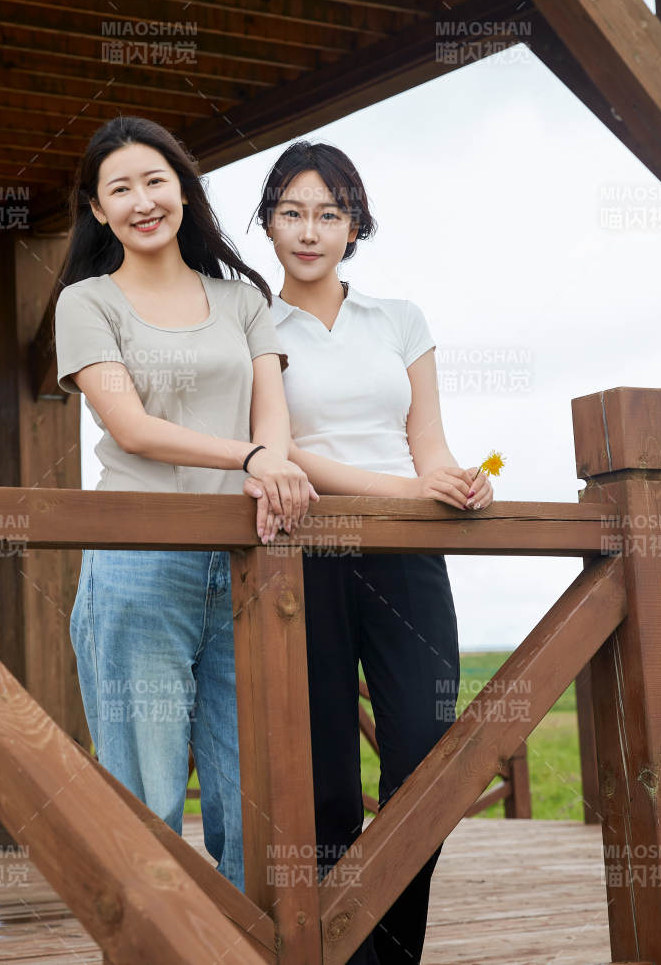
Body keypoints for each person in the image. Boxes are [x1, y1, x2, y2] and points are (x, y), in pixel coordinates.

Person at [244, 140, 492, 960]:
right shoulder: (254, 323)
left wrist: (457, 482)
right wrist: (406, 492)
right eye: (292, 212)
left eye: (329, 213)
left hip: (409, 558)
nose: (309, 230)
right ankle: (331, 951)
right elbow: (287, 452)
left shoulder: (400, 319)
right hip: (303, 559)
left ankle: (388, 952)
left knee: (427, 763)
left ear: (355, 225)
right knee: (322, 786)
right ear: (268, 223)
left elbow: (427, 442)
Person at [55, 116, 317, 890]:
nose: (142, 200)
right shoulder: (87, 302)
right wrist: (251, 456)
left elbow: (272, 409)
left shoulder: (242, 301)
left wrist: (268, 452)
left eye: (155, 180)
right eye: (121, 189)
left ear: (182, 189)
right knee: (148, 798)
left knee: (255, 805)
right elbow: (131, 428)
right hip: (139, 566)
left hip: (247, 558)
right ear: (99, 211)